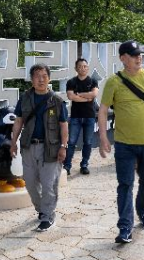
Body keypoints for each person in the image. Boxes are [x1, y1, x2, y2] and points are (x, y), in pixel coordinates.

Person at [98, 40, 144, 244]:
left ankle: (143, 213)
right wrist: (103, 137)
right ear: (123, 58)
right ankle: (125, 227)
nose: (139, 58)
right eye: (134, 55)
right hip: (124, 144)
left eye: (140, 54)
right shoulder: (114, 82)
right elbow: (102, 111)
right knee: (125, 184)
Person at [10, 63, 68, 232]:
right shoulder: (26, 98)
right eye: (37, 76)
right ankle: (42, 210)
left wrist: (64, 146)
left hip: (51, 148)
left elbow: (64, 125)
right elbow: (19, 121)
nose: (41, 80)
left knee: (49, 184)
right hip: (29, 146)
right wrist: (13, 143)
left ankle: (48, 216)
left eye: (44, 76)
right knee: (29, 182)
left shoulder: (56, 100)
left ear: (49, 78)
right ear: (32, 79)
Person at [64, 58, 99, 176]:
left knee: (88, 142)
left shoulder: (93, 81)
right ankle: (67, 166)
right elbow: (71, 96)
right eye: (80, 66)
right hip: (76, 117)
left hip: (90, 116)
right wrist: (87, 98)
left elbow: (94, 94)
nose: (82, 68)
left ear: (87, 68)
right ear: (76, 68)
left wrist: (79, 94)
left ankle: (84, 165)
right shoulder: (71, 82)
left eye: (85, 66)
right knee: (72, 142)